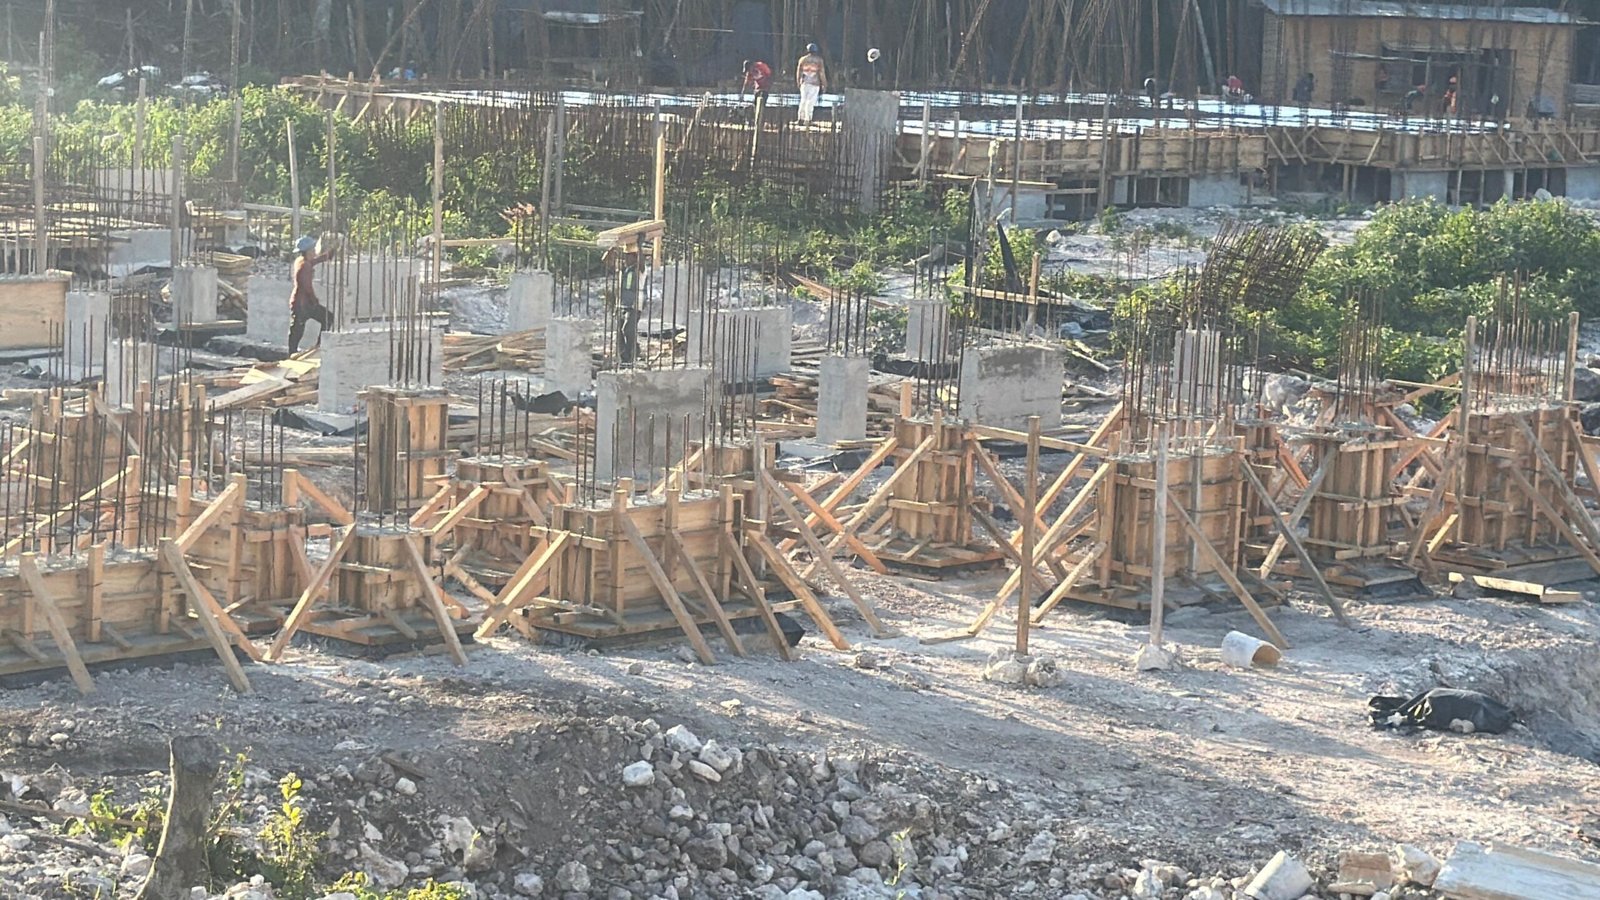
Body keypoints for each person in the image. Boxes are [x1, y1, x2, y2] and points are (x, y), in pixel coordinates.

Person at [288, 235, 334, 353]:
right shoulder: (305, 266)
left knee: (297, 329)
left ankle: (294, 351)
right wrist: (314, 300)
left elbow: (313, 261)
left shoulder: (301, 261)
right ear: (308, 251)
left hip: (301, 302)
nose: (314, 252)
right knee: (299, 329)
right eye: (313, 250)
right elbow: (306, 287)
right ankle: (317, 346)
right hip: (302, 304)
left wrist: (326, 256)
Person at [796, 43, 827, 123]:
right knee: (811, 101)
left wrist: (798, 81)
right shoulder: (819, 61)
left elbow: (799, 72)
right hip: (815, 84)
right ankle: (808, 119)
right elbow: (821, 73)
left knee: (803, 100)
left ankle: (800, 118)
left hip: (804, 83)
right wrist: (824, 84)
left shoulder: (802, 60)